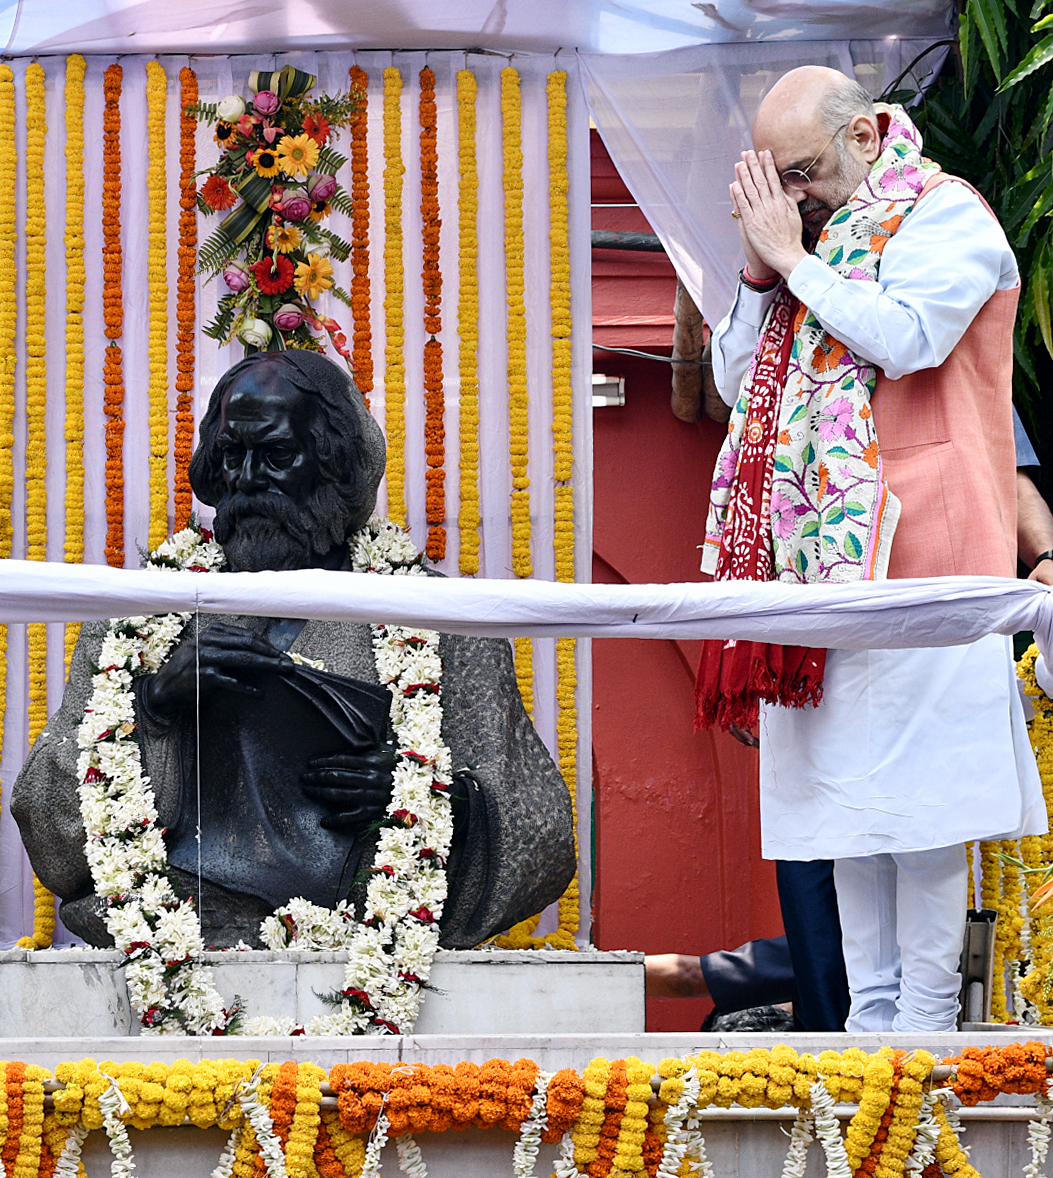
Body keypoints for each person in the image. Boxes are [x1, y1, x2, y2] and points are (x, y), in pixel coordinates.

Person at [12, 351, 576, 949]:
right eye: (232, 454)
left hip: (371, 970)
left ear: (337, 465)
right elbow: (48, 826)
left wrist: (428, 802)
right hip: (165, 952)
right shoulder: (141, 619)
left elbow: (540, 834)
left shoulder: (441, 624)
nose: (249, 477)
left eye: (277, 455)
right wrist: (153, 708)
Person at [697, 65, 1045, 1033]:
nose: (794, 194)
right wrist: (766, 265)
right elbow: (736, 380)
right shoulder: (809, 239)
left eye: (802, 170)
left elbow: (908, 340)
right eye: (777, 178)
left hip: (929, 552)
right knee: (844, 810)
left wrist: (795, 258)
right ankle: (870, 1021)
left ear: (864, 136)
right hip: (814, 562)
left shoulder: (946, 215)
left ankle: (927, 1024)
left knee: (923, 810)